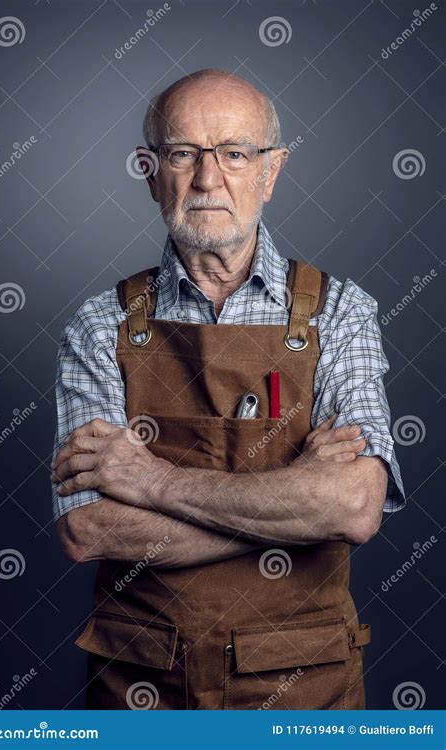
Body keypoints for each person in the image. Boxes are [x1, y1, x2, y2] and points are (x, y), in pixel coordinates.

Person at [50, 69, 406, 710]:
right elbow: (90, 529)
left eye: (235, 154)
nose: (208, 179)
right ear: (150, 170)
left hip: (305, 690)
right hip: (142, 687)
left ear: (271, 172)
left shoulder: (341, 313)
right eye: (183, 153)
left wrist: (152, 482)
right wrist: (298, 511)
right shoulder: (99, 325)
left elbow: (354, 507)